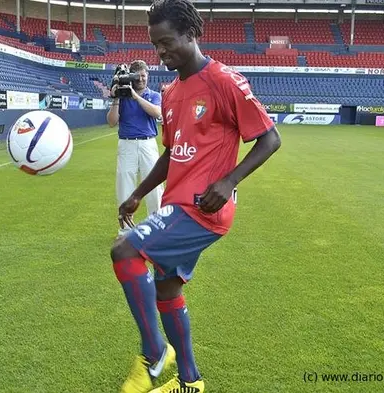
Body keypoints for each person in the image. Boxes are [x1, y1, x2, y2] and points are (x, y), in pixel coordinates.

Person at [110, 0, 282, 392]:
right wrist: (138, 194)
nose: (161, 52)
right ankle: (191, 382)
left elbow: (270, 138)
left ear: (191, 35)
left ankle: (154, 354)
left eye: (167, 42)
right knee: (167, 289)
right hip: (176, 205)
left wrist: (228, 181)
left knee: (124, 250)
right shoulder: (170, 94)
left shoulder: (224, 81)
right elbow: (172, 154)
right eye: (156, 45)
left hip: (204, 208)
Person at [107, 60, 164, 238]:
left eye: (143, 75)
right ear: (130, 76)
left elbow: (157, 113)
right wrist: (116, 97)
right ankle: (125, 230)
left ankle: (156, 227)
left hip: (148, 143)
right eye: (137, 75)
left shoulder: (153, 95)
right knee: (124, 185)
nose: (140, 79)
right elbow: (111, 121)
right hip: (127, 143)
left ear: (148, 76)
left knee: (154, 186)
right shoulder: (122, 98)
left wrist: (135, 96)